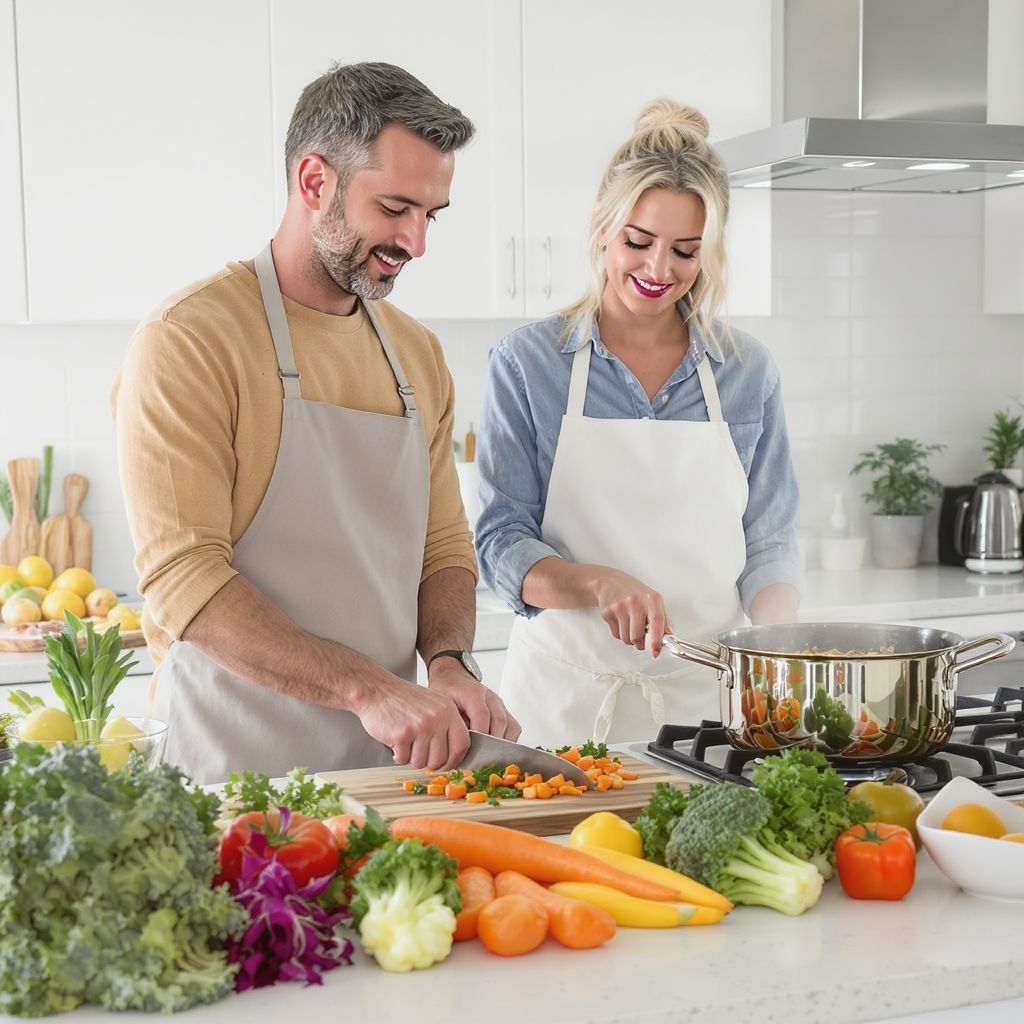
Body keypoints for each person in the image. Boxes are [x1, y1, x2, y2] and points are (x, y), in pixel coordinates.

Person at [112, 62, 519, 784]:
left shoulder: (418, 354)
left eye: (432, 214)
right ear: (314, 182)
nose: (416, 242)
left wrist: (449, 664)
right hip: (232, 772)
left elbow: (445, 547)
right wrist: (368, 689)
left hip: (387, 770)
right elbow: (184, 579)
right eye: (395, 208)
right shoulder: (189, 338)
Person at [475, 100, 800, 749]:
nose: (658, 271)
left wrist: (777, 647)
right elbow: (500, 546)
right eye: (637, 242)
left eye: (686, 251)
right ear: (602, 227)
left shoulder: (745, 372)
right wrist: (598, 582)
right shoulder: (528, 365)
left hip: (705, 710)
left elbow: (767, 542)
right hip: (561, 709)